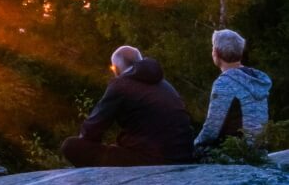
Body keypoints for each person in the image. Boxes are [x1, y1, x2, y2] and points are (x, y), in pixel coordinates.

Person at [61, 45, 196, 167]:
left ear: (116, 68)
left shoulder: (121, 85)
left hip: (153, 161)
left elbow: (92, 129)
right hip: (183, 157)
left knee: (71, 146)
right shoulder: (164, 84)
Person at [193, 29, 272, 153]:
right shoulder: (256, 79)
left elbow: (212, 129)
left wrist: (195, 145)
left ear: (216, 52)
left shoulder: (225, 83)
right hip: (259, 152)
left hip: (236, 154)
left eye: (213, 47)